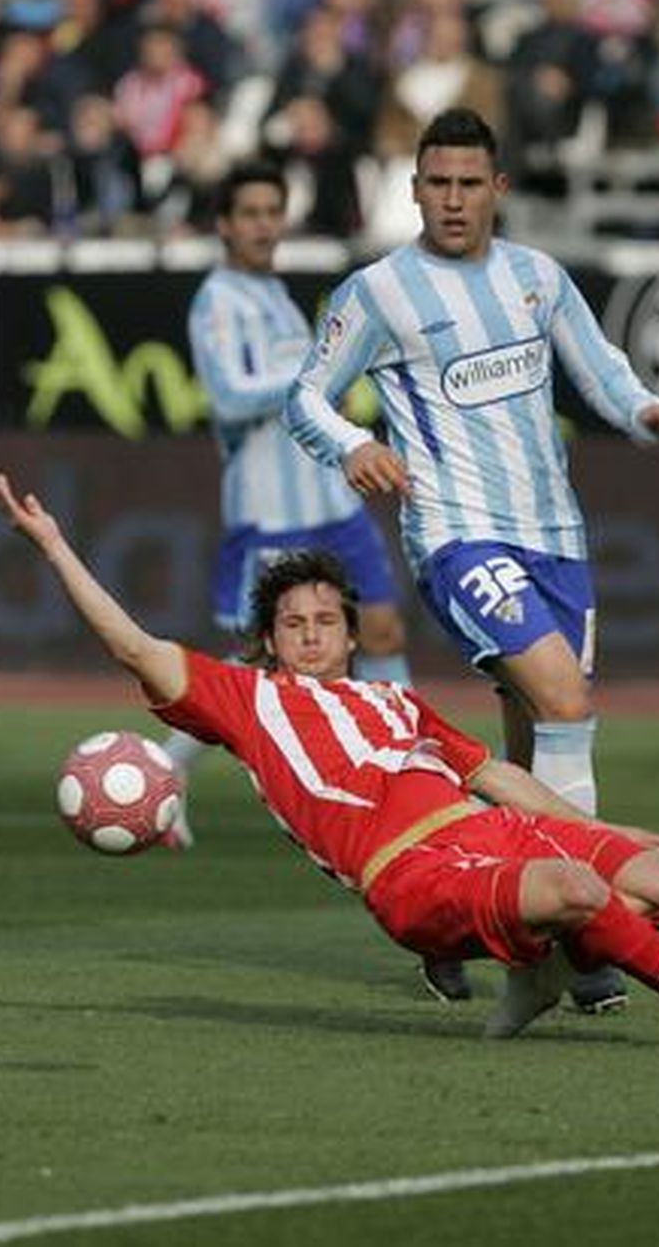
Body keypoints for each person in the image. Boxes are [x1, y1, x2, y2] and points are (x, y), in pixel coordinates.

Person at [0, 471, 659, 1049]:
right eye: (293, 623)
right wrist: (57, 548)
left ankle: (533, 977)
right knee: (579, 891)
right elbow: (133, 644)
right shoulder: (246, 701)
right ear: (269, 641)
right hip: (408, 874)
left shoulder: (396, 703)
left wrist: (600, 824)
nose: (311, 632)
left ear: (352, 633)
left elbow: (498, 775)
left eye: (325, 619)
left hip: (488, 831)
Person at [281, 107, 659, 1018]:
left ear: (498, 189)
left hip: (556, 536)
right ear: (413, 190)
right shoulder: (377, 293)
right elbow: (304, 399)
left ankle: (475, 929)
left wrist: (654, 417)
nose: (451, 199)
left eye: (468, 183)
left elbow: (602, 375)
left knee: (531, 746)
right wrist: (352, 444)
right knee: (565, 698)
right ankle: (593, 940)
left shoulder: (537, 276)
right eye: (436, 183)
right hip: (456, 534)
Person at [155, 160, 413, 851]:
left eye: (274, 211)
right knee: (256, 663)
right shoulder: (218, 301)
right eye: (251, 213)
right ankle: (165, 769)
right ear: (224, 224)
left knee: (382, 630)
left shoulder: (276, 296)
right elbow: (231, 397)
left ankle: (407, 770)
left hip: (332, 497)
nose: (266, 225)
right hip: (272, 508)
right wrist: (317, 373)